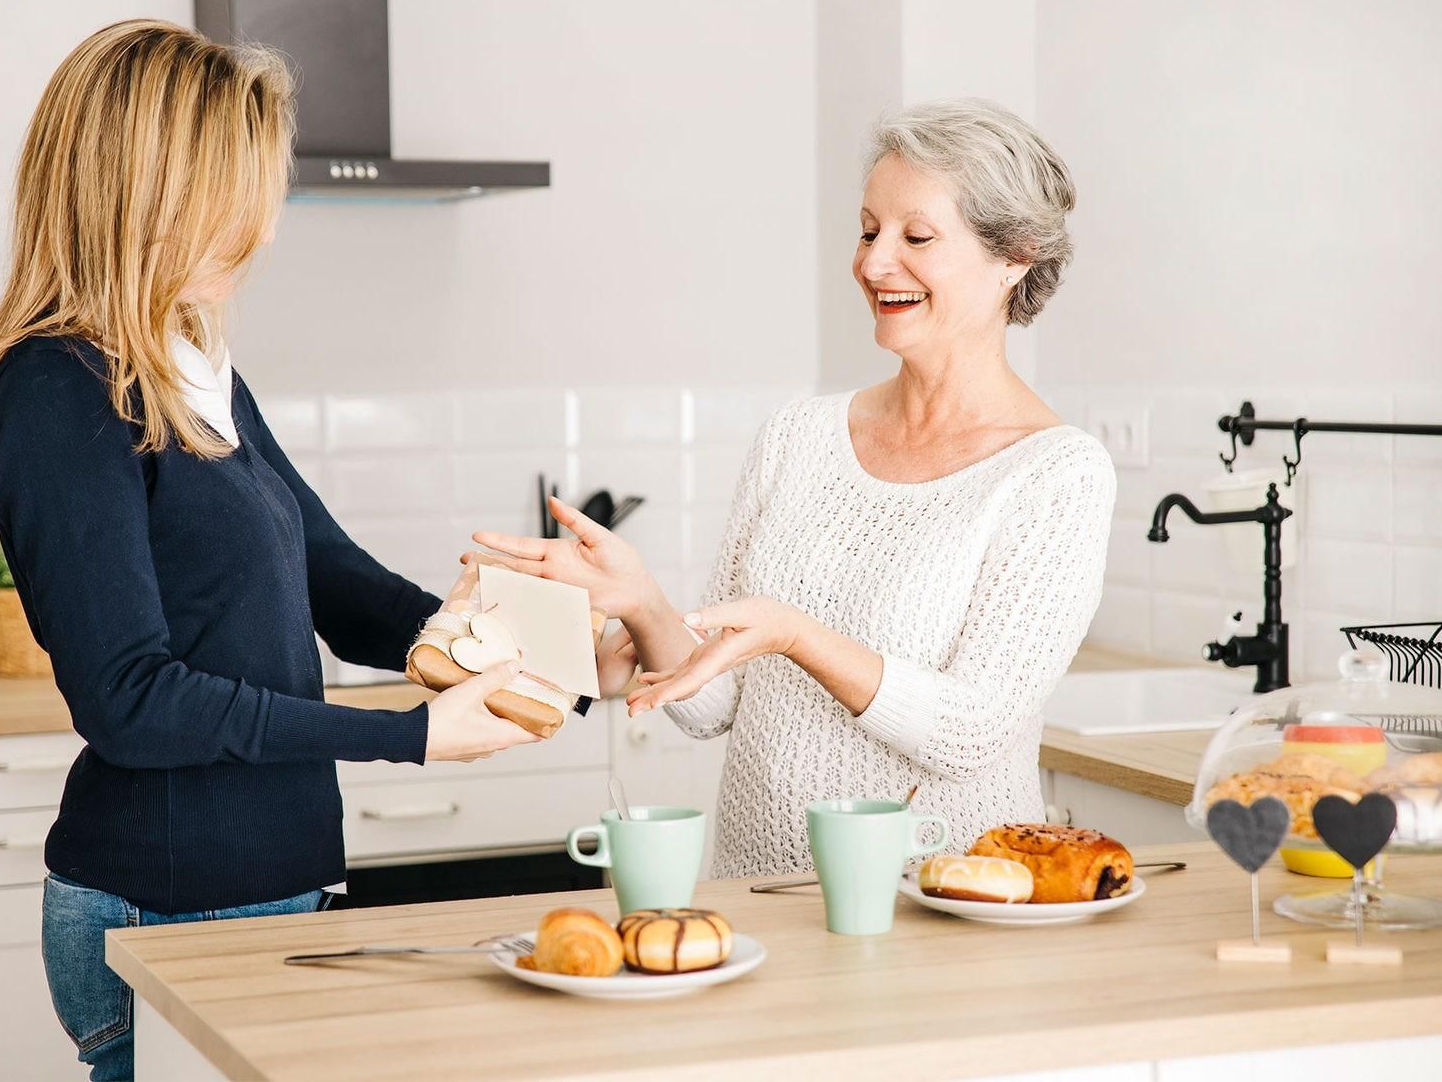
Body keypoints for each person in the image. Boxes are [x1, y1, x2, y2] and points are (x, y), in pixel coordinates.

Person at [0, 20, 539, 1082]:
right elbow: (130, 699)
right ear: (151, 191)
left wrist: (467, 635)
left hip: (270, 878)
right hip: (168, 896)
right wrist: (408, 737)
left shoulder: (191, 364)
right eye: (242, 192)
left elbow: (326, 570)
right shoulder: (56, 391)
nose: (265, 229)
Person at [477, 99, 1116, 877]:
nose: (875, 262)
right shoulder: (799, 437)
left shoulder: (1054, 475)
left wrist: (797, 633)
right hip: (756, 899)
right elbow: (715, 706)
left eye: (916, 236)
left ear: (1014, 255)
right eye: (867, 229)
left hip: (939, 907)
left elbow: (971, 732)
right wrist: (642, 602)